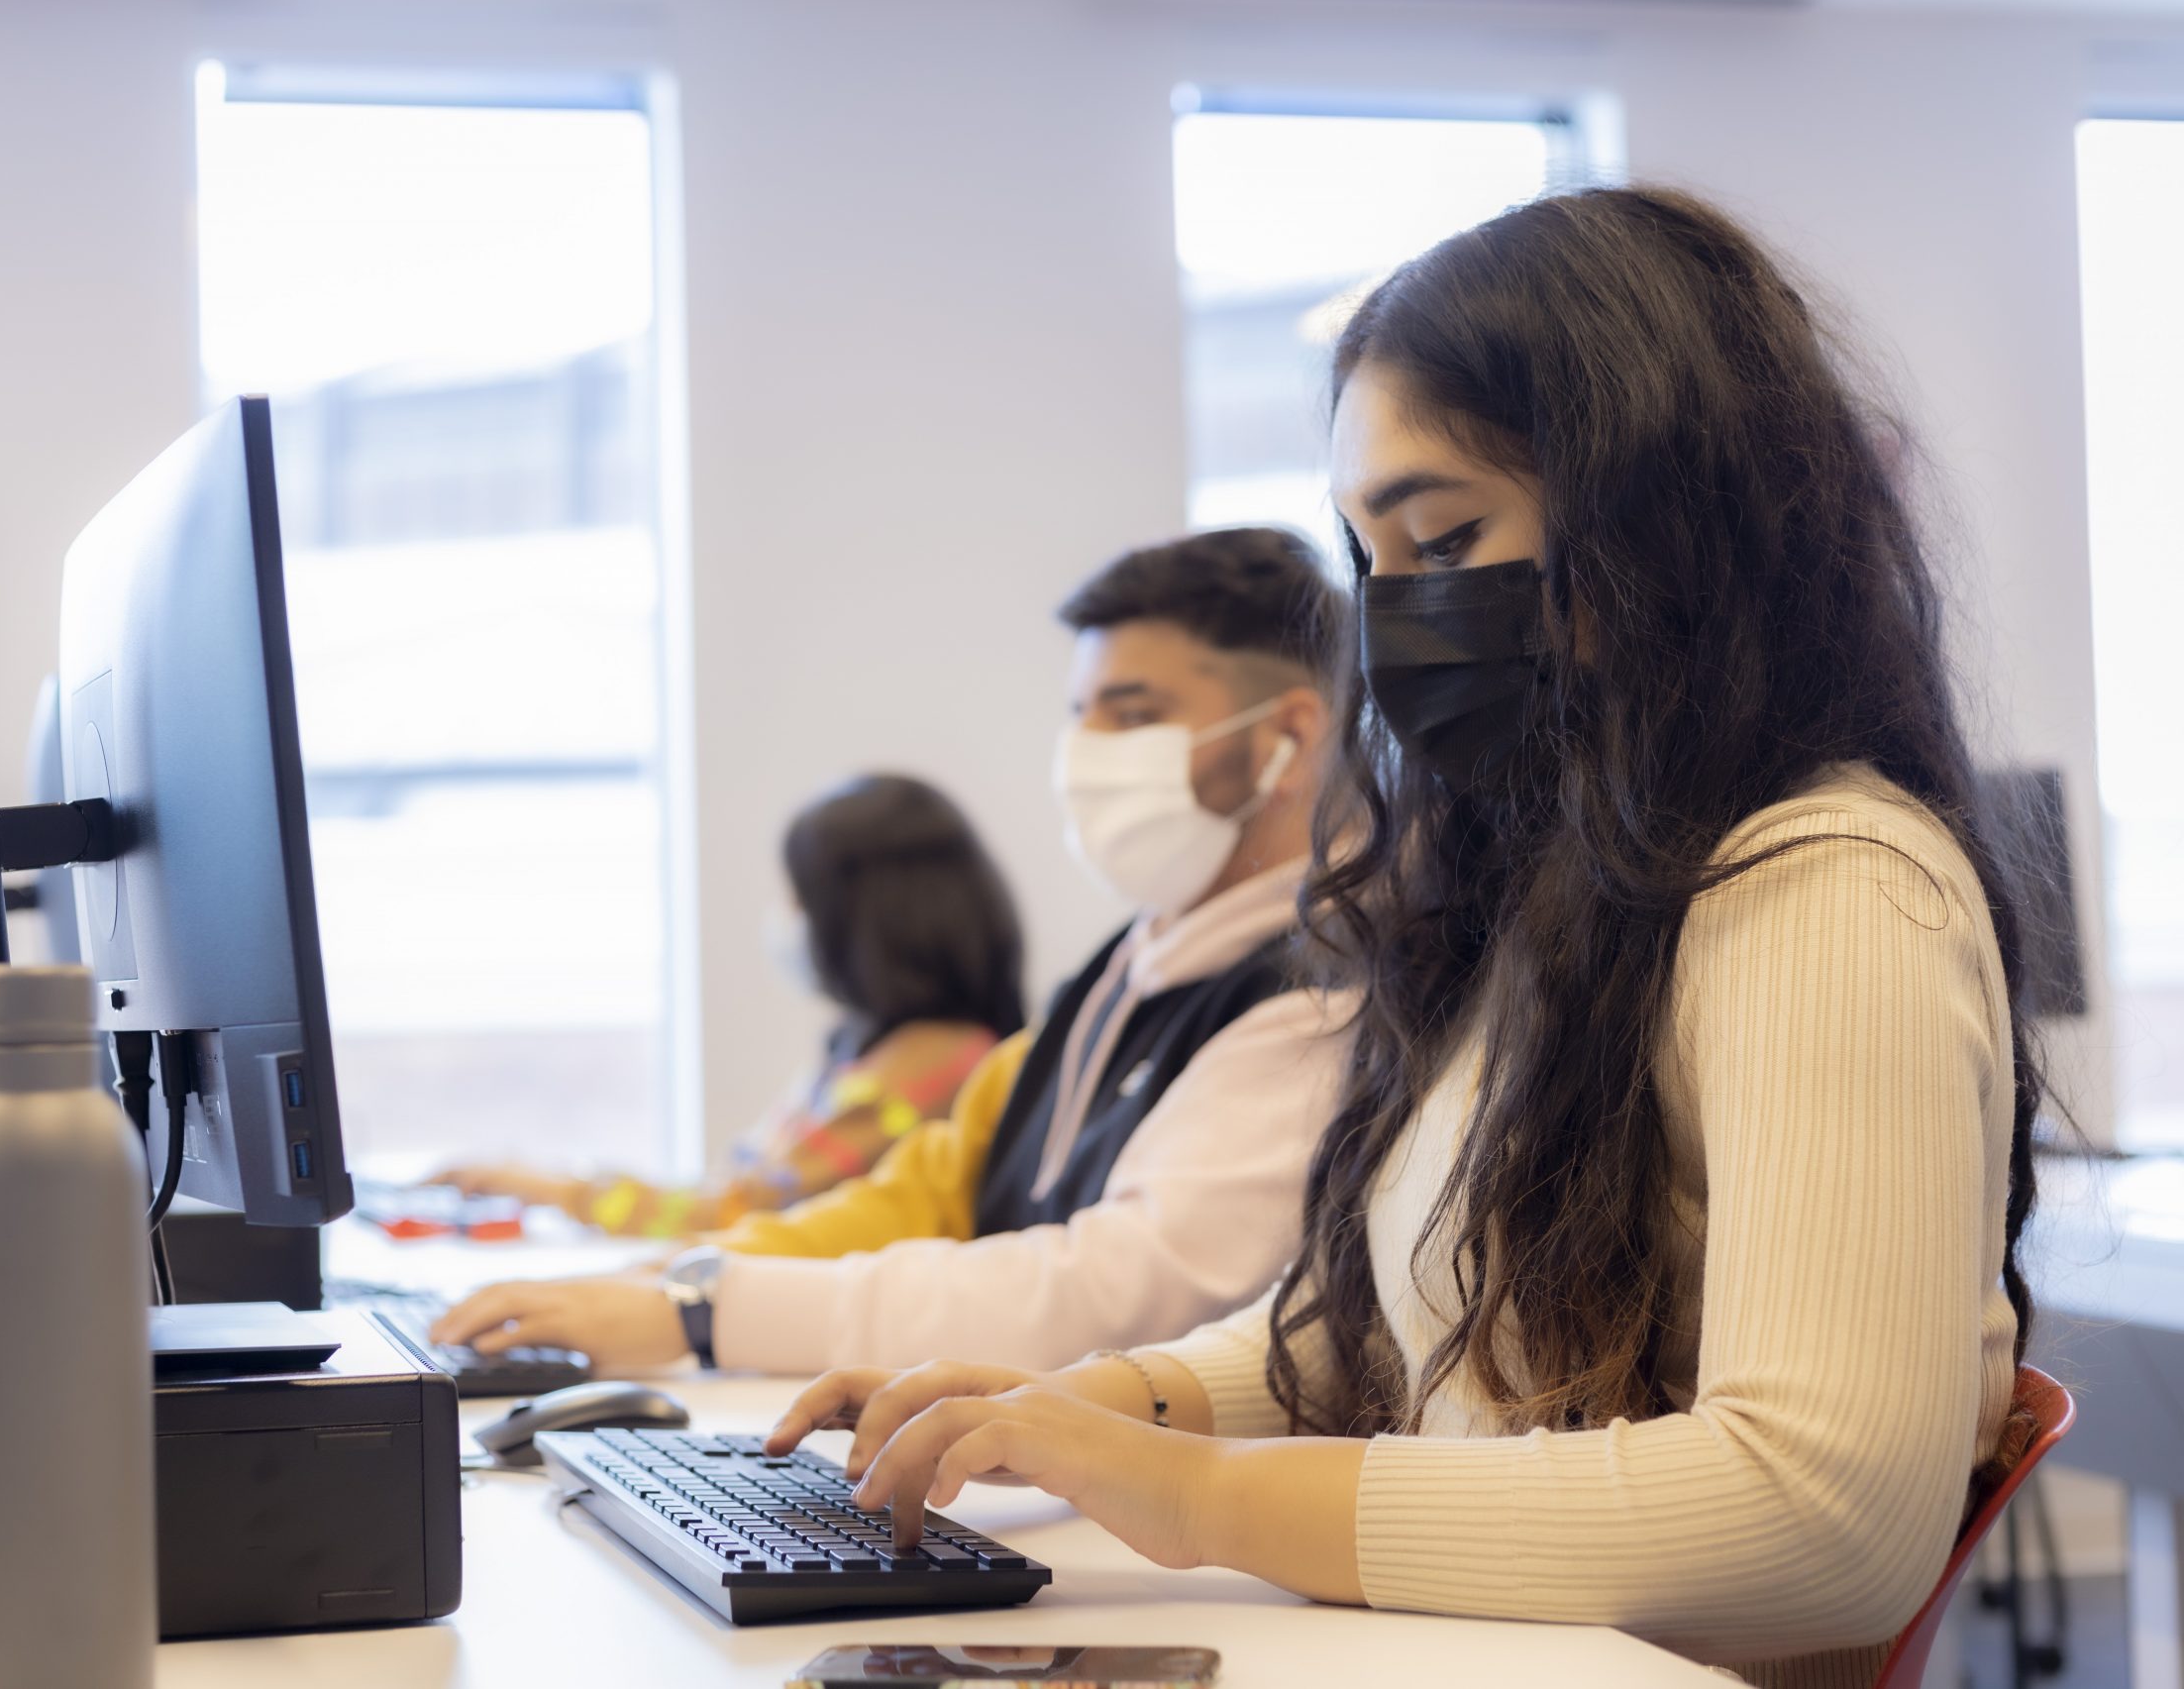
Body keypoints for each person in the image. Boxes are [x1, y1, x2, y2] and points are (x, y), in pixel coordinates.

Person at [767, 186, 2043, 1689]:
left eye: (1442, 537)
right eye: (1371, 556)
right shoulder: (1558, 898)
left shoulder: (1828, 885)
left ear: (1662, 520)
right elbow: (1382, 1336)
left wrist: (1199, 1496)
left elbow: (1828, 1514)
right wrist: (1086, 1403)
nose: (1397, 616)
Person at [431, 526, 1353, 1374]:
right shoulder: (1126, 969)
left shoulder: (1320, 996)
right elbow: (930, 1192)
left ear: (1289, 737)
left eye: (1132, 714)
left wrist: (701, 1310)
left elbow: (1110, 1290)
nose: (1085, 751)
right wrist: (670, 1282)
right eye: (1081, 714)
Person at [431, 774, 1024, 1237]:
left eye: (801, 899)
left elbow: (738, 1210)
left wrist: (559, 1191)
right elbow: (745, 1183)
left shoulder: (930, 1070)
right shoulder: (878, 1047)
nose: (788, 919)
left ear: (864, 920)